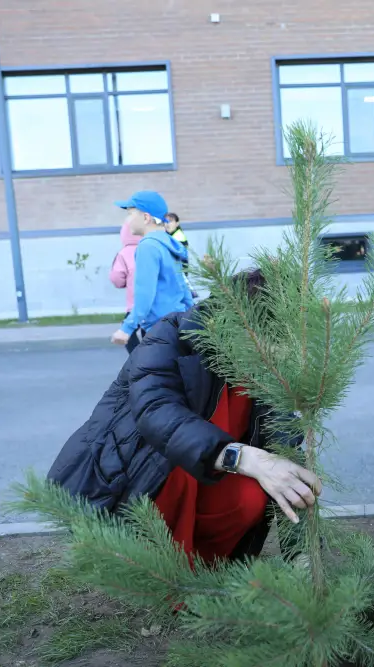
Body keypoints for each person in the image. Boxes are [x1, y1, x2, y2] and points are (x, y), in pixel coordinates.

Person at [48, 269, 321, 564]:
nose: (285, 357)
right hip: (132, 479)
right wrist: (246, 459)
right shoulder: (171, 336)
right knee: (177, 461)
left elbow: (287, 456)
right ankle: (157, 568)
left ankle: (206, 567)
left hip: (201, 482)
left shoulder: (266, 375)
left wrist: (303, 557)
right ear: (247, 325)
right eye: (278, 341)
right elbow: (157, 413)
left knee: (252, 495)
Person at [110, 192, 194, 352]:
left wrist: (126, 328)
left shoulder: (148, 246)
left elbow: (145, 293)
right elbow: (183, 286)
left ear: (146, 218)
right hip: (178, 324)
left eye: (130, 214)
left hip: (160, 330)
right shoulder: (169, 244)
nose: (127, 221)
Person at [109, 218, 140, 351]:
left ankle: (139, 359)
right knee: (152, 335)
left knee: (128, 332)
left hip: (135, 304)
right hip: (158, 305)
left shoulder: (124, 254)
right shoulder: (154, 247)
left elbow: (117, 278)